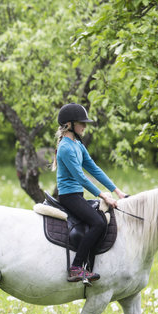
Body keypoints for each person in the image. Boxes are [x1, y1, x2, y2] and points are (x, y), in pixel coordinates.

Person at [53, 103, 127, 283]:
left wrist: (117, 191)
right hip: (69, 196)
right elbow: (80, 178)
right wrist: (102, 195)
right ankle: (76, 268)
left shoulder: (77, 145)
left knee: (102, 219)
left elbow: (94, 169)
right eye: (81, 123)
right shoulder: (65, 147)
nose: (85, 126)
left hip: (77, 195)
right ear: (69, 124)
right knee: (98, 223)